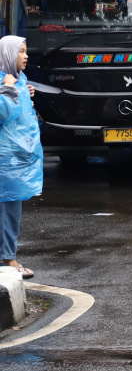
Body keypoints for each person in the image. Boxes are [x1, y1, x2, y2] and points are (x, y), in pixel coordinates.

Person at [0, 36, 41, 279]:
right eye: (21, 51)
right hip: (6, 161)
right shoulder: (5, 80)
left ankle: (8, 256)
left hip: (14, 159)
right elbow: (3, 112)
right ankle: (9, 260)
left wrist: (23, 90)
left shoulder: (19, 79)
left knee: (10, 207)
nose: (26, 56)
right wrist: (9, 88)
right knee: (8, 208)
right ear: (7, 54)